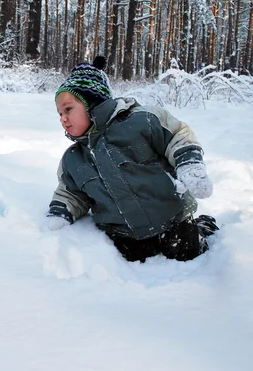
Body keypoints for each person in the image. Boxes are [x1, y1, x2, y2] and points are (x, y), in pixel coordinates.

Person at [47, 57, 219, 262]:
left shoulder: (140, 121)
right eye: (59, 114)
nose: (63, 119)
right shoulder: (74, 159)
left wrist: (188, 162)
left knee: (185, 251)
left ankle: (203, 226)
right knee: (136, 257)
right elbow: (71, 192)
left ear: (92, 103)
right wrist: (61, 211)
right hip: (125, 232)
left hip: (172, 216)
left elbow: (177, 136)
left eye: (68, 109)